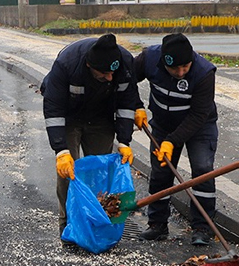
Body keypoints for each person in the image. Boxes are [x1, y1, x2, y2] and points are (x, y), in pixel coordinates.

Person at [42, 33, 141, 235]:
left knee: (100, 170)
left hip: (101, 117)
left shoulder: (124, 63)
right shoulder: (67, 64)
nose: (110, 78)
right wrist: (61, 150)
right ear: (89, 65)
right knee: (68, 171)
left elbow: (126, 102)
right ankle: (68, 224)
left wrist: (124, 141)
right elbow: (53, 110)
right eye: (104, 73)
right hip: (69, 115)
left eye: (112, 73)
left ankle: (97, 219)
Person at [132, 32, 219, 245]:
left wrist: (172, 141)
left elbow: (198, 115)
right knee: (161, 172)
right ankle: (157, 224)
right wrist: (136, 105)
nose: (181, 73)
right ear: (164, 63)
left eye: (185, 67)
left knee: (202, 170)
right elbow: (126, 79)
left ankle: (202, 228)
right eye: (174, 69)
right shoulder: (149, 59)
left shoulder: (204, 72)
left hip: (199, 127)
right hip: (163, 124)